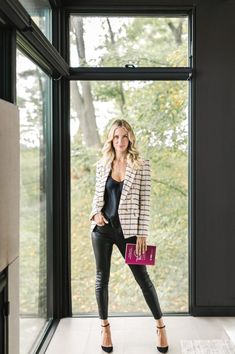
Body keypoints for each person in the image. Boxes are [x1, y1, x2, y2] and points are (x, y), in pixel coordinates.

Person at [89, 119, 169, 353]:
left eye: (124, 136)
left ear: (130, 138)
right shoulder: (103, 164)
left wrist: (143, 233)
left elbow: (145, 202)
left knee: (143, 279)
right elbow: (96, 196)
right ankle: (105, 328)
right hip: (102, 231)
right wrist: (95, 214)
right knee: (101, 279)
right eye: (116, 137)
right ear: (110, 139)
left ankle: (160, 326)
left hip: (130, 233)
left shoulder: (142, 165)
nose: (120, 141)